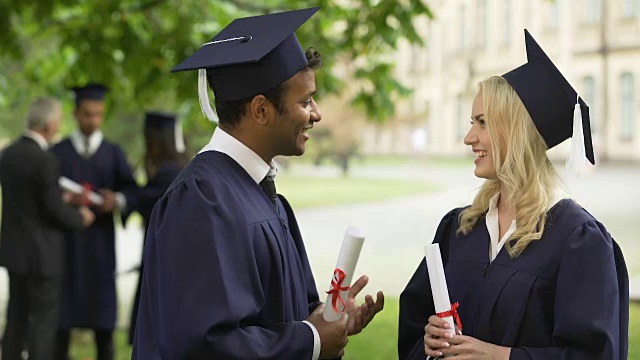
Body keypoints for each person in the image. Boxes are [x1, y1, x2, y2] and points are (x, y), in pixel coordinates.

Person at [133, 7, 384, 359]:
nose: (317, 113)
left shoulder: (264, 197)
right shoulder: (202, 200)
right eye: (305, 101)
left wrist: (329, 323)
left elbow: (283, 316)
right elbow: (203, 346)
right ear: (261, 110)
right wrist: (311, 340)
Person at [398, 29, 628, 360]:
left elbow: (593, 354)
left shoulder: (578, 240)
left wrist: (501, 356)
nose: (468, 137)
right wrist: (429, 341)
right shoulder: (460, 228)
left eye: (482, 123)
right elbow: (416, 324)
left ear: (515, 130)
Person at [0, 97, 95, 360]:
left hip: (15, 253)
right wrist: (80, 217)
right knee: (43, 324)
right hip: (44, 256)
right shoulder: (45, 160)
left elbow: (31, 200)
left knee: (16, 320)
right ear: (51, 124)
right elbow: (52, 209)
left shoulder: (7, 155)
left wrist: (59, 200)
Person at [52, 84, 139, 360]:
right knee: (61, 319)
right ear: (76, 114)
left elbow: (132, 190)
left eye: (99, 115)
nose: (94, 121)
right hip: (67, 246)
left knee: (103, 320)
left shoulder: (113, 152)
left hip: (100, 245)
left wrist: (118, 200)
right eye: (88, 114)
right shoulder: (59, 152)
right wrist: (65, 200)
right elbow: (46, 194)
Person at [128, 111, 188, 344]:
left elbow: (148, 201)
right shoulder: (181, 166)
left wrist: (126, 198)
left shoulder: (168, 172)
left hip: (164, 256)